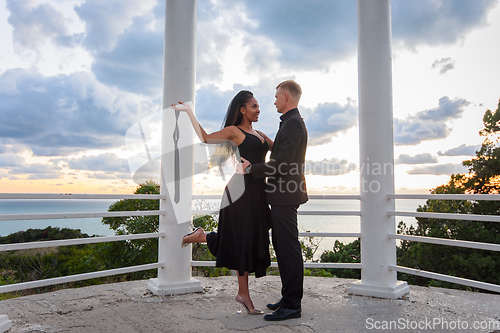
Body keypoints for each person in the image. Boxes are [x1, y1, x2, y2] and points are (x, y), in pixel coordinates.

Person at [175, 90, 273, 315]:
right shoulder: (234, 132)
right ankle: (244, 294)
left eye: (259, 107)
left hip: (257, 192)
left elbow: (280, 150)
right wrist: (189, 111)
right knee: (242, 240)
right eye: (254, 106)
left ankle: (202, 236)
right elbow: (206, 138)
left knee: (249, 239)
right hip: (238, 192)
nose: (258, 110)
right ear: (242, 109)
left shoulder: (259, 134)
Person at [241, 80, 308, 321]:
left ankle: (292, 305)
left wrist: (251, 169)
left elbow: (283, 164)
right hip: (283, 194)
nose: (274, 101)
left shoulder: (292, 125)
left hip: (285, 195)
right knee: (283, 247)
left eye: (277, 96)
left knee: (288, 249)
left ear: (287, 97)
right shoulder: (290, 123)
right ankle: (288, 297)